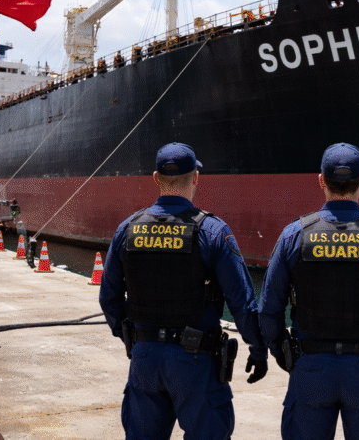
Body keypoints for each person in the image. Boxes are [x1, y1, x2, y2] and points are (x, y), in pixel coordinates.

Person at [99, 143, 267, 440]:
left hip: (145, 360)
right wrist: (258, 348)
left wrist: (132, 335)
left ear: (155, 178)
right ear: (196, 178)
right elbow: (242, 303)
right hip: (196, 363)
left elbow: (109, 298)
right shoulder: (213, 230)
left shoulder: (128, 229)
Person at [259, 143, 359, 440]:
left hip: (310, 369)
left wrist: (283, 353)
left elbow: (269, 310)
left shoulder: (294, 235)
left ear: (321, 180)